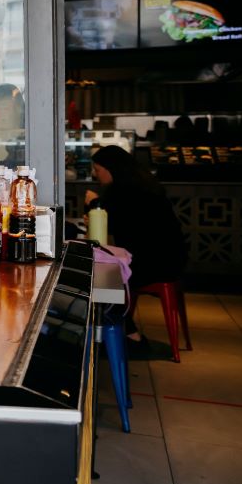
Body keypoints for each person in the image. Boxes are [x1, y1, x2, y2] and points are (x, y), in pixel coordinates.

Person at [86, 145, 188, 344]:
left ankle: (130, 334)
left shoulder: (122, 192)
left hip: (153, 263)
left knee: (102, 278)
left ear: (110, 168)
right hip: (172, 258)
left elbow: (113, 226)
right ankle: (121, 330)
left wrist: (95, 204)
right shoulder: (145, 185)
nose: (95, 174)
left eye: (97, 169)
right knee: (106, 273)